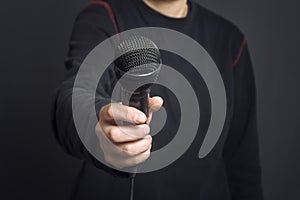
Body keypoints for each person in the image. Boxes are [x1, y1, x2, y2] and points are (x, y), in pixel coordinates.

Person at [52, 0, 264, 199]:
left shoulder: (230, 40)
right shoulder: (104, 17)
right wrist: (97, 130)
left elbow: (243, 165)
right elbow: (74, 96)